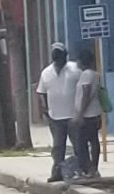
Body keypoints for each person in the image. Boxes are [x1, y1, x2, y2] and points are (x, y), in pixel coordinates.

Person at [34, 44, 86, 181]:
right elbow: (42, 92)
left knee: (79, 145)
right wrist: (44, 109)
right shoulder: (46, 72)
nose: (58, 59)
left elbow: (84, 89)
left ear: (65, 56)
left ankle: (83, 170)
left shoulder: (76, 69)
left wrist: (81, 110)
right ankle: (57, 172)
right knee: (58, 146)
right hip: (55, 116)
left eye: (60, 56)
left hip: (73, 115)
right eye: (55, 56)